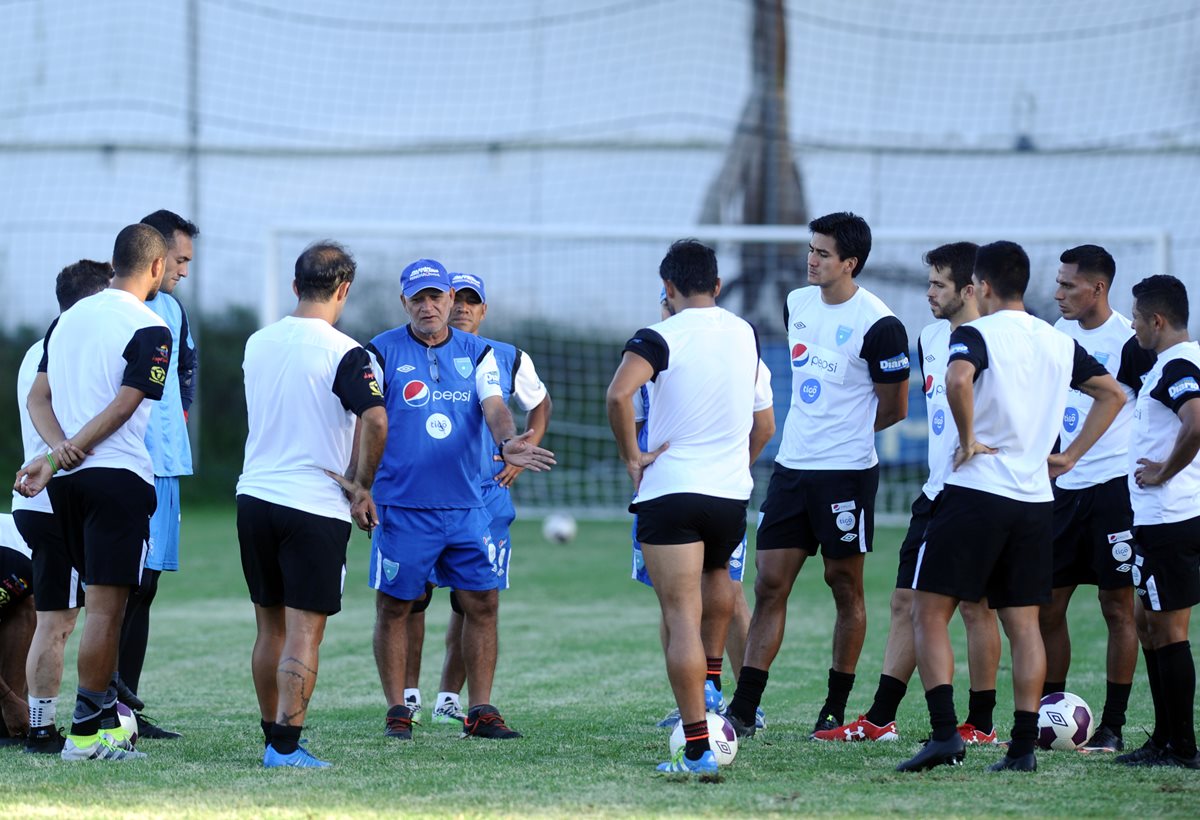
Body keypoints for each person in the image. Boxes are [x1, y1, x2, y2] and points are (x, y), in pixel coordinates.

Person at [897, 240, 1125, 773]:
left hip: (976, 495)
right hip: (1033, 501)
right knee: (1023, 626)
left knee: (927, 612)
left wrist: (969, 437)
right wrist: (1069, 457)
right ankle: (1023, 749)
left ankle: (944, 734)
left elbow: (958, 379)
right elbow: (1113, 394)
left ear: (982, 286)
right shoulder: (1056, 340)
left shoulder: (976, 333)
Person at [724, 212, 910, 739]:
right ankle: (744, 707)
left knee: (844, 585)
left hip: (847, 476)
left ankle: (833, 706)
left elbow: (894, 407)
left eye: (823, 253)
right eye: (811, 249)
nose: (812, 259)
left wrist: (844, 436)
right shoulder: (796, 304)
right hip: (791, 469)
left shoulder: (881, 324)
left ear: (850, 263)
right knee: (769, 584)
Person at [814, 242, 1003, 744]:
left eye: (939, 285)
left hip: (981, 493)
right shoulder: (931, 338)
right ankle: (880, 718)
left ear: (969, 289)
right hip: (935, 491)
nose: (929, 294)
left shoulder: (997, 338)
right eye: (929, 283)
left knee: (974, 606)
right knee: (904, 601)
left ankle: (981, 723)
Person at [365, 259, 554, 742]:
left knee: (482, 604)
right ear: (403, 302)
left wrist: (509, 441)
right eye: (417, 298)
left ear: (450, 299)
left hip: (467, 506)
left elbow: (495, 406)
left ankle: (481, 711)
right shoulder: (378, 351)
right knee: (396, 606)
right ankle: (397, 711)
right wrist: (359, 483)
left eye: (436, 297)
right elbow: (362, 421)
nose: (428, 306)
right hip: (403, 507)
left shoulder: (482, 353)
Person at [606, 239, 767, 776]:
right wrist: (734, 466)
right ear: (717, 286)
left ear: (668, 289)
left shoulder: (659, 335)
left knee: (680, 618)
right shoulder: (746, 333)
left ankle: (696, 747)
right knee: (720, 584)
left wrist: (634, 456)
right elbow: (763, 422)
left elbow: (618, 395)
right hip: (729, 496)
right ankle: (715, 696)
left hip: (672, 490)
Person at [16, 224, 176, 761]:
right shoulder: (151, 324)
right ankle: (85, 735)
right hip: (116, 478)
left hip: (69, 485)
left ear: (114, 265)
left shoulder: (65, 320)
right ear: (155, 268)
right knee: (107, 610)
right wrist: (71, 449)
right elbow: (128, 402)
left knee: (93, 609)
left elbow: (40, 397)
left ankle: (104, 725)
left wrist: (56, 452)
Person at [236, 241, 386, 768]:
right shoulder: (347, 352)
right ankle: (285, 746)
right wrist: (360, 485)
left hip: (254, 496)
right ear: (344, 290)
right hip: (312, 504)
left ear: (296, 286)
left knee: (268, 626)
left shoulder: (257, 341)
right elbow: (376, 418)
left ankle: (271, 736)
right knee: (304, 630)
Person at [633, 288, 775, 731]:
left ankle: (737, 701)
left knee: (717, 596)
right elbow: (641, 429)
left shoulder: (738, 351)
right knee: (678, 601)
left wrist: (732, 464)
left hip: (691, 490)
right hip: (691, 492)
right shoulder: (656, 352)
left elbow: (763, 425)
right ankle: (697, 698)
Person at [1039, 244, 1152, 754]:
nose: (1058, 293)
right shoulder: (1058, 336)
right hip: (1063, 491)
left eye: (1068, 286)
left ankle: (1112, 725)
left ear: (1098, 288)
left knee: (1116, 607)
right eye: (1058, 283)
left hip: (1115, 491)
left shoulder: (1130, 341)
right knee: (1048, 607)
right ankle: (1050, 711)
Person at [12, 260, 111, 754]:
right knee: (60, 621)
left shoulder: (38, 349)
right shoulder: (73, 348)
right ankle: (51, 729)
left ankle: (46, 725)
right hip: (57, 500)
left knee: (55, 618)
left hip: (35, 499)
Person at [114, 209, 200, 741]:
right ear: (156, 255)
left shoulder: (172, 309)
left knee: (145, 589)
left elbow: (186, 368)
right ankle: (100, 706)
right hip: (123, 465)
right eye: (181, 260)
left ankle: (127, 710)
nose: (185, 271)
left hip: (166, 468)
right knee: (114, 587)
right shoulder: (114, 308)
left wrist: (178, 417)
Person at [1116, 274, 1200, 769]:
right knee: (1149, 623)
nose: (1133, 327)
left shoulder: (1177, 365)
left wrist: (1165, 470)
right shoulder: (1170, 365)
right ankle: (1163, 739)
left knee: (1169, 631)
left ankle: (1183, 748)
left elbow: (1196, 421)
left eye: (1137, 318)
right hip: (1156, 520)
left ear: (1157, 320)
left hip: (1170, 519)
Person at [0, 514, 35, 746]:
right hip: (13, 565)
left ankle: (6, 723)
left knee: (32, 610)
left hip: (17, 564)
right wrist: (8, 699)